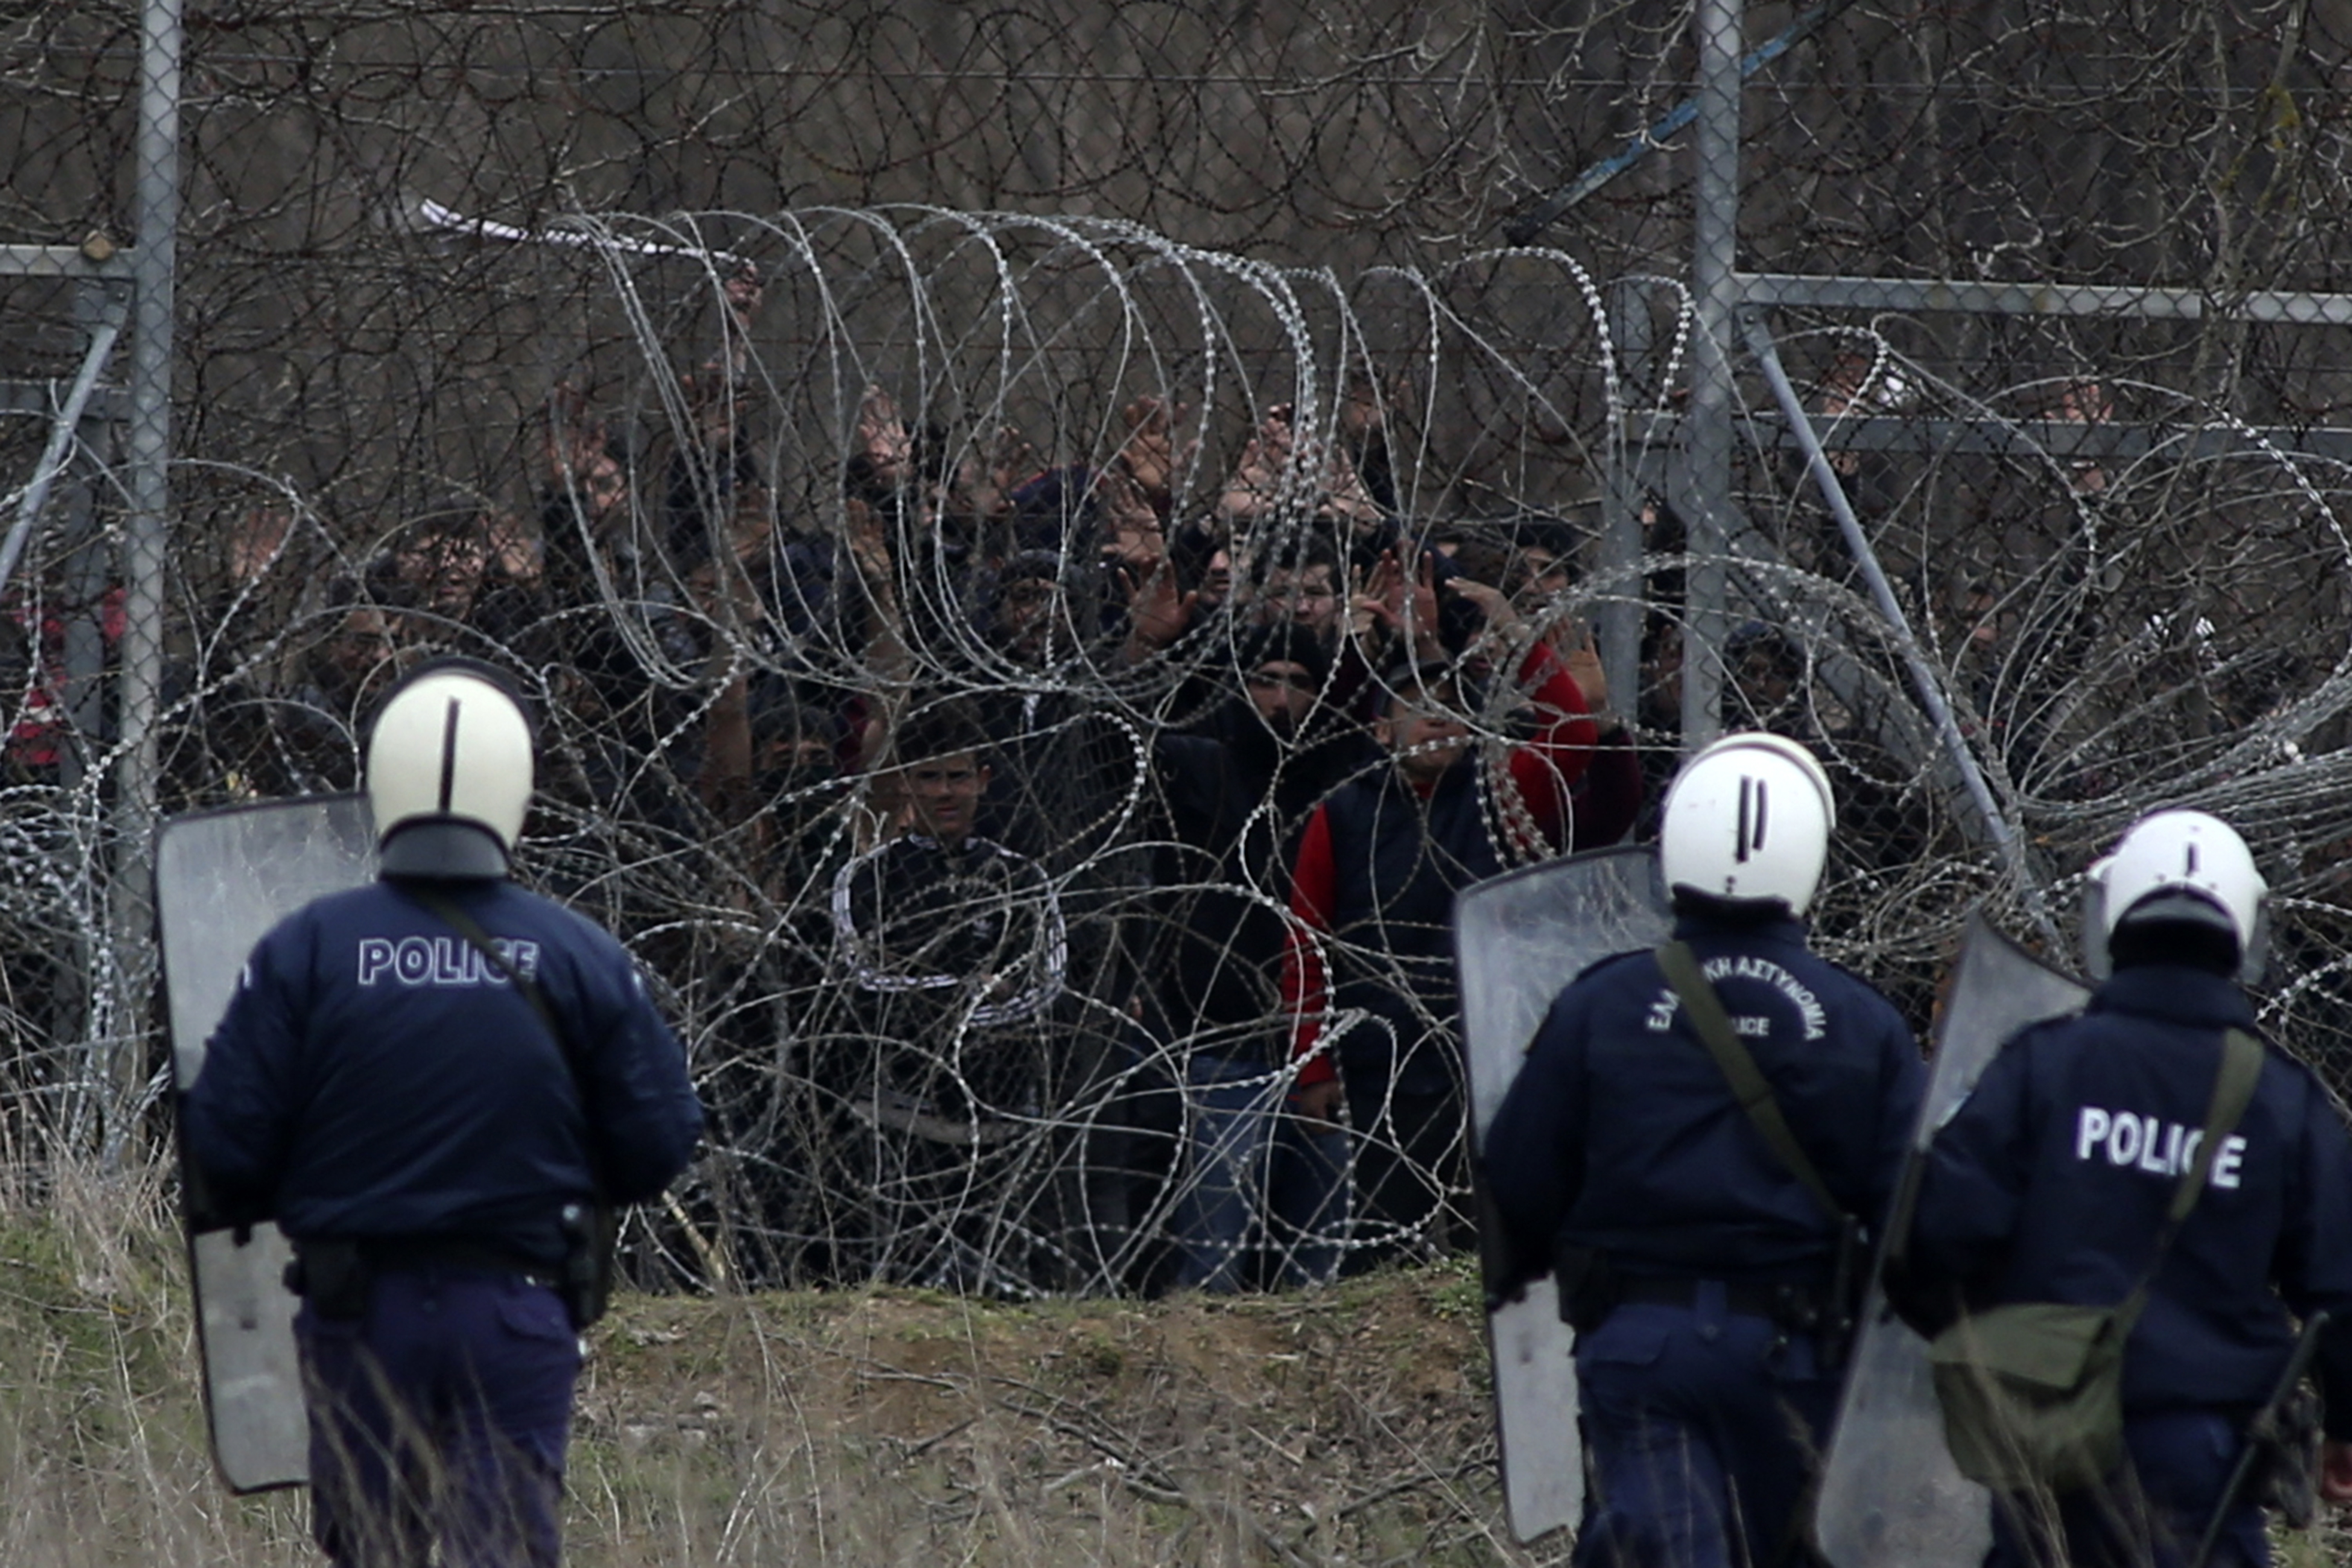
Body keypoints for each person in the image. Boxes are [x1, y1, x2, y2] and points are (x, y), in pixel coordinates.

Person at [178, 659, 705, 1568]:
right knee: (500, 1550)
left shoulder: (308, 947)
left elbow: (223, 1144)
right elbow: (658, 1143)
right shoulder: (580, 955)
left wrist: (322, 1173)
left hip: (356, 1313)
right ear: (519, 789)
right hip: (515, 1312)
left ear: (383, 779)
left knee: (372, 1550)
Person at [1480, 733, 1925, 1568]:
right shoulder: (1864, 1023)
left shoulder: (1600, 1003)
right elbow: (1912, 1214)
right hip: (1797, 1354)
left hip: (1640, 1345)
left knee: (1657, 1547)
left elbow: (1520, 1175)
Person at [1893, 809, 2352, 1568]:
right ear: (2246, 927)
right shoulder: (2282, 1101)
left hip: (2046, 1431)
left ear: (2112, 916)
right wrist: (2345, 1424)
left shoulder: (2044, 1066)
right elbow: (2339, 1284)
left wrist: (1991, 1349)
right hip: (2206, 1445)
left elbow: (1935, 1234)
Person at [1281, 601, 1600, 1269]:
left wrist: (1525, 646)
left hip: (1488, 1057)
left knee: (1491, 1243)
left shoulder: (1500, 794)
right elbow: (1307, 941)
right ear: (1380, 728)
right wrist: (1314, 1065)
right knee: (1386, 1247)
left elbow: (1573, 736)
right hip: (1381, 1061)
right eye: (1416, 700)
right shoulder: (1341, 815)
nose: (1440, 712)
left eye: (1454, 701)